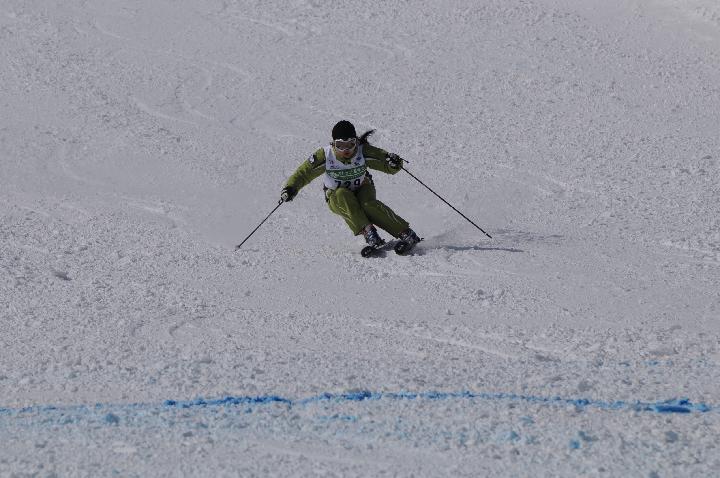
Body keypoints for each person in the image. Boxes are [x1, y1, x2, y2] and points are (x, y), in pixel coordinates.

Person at [280, 120, 421, 250]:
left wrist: (394, 163)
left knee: (368, 205)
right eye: (340, 146)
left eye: (350, 144)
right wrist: (291, 188)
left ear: (356, 142)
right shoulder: (326, 155)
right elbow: (304, 173)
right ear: (333, 144)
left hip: (362, 188)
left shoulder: (362, 151)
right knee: (342, 194)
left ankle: (405, 232)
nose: (346, 150)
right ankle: (369, 232)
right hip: (336, 196)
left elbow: (385, 163)